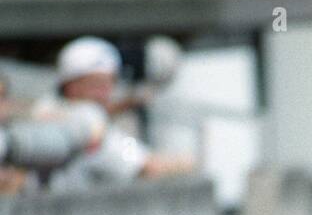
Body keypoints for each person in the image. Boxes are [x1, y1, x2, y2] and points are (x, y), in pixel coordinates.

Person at [35, 37, 194, 188]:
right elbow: (146, 167)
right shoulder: (88, 119)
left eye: (108, 84)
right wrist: (187, 162)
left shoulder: (46, 105)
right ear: (72, 85)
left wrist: (126, 104)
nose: (104, 93)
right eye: (95, 85)